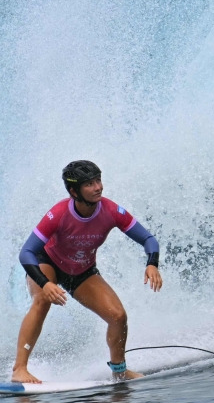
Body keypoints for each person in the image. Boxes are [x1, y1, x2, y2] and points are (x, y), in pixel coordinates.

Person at [11, 160, 162, 383]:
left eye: (98, 180)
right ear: (74, 191)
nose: (98, 187)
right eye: (89, 184)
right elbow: (26, 253)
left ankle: (119, 370)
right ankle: (19, 369)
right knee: (42, 299)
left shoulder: (111, 211)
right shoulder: (59, 213)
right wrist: (45, 282)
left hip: (81, 270)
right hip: (48, 262)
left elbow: (148, 239)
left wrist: (152, 263)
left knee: (118, 316)